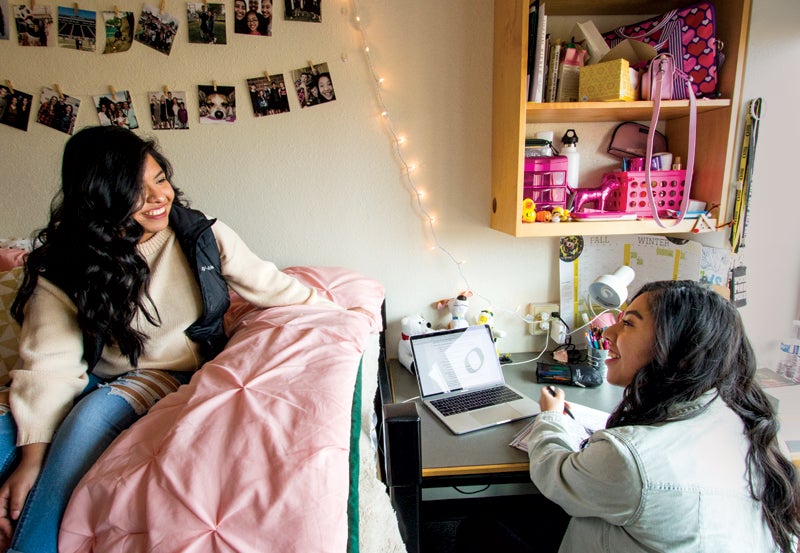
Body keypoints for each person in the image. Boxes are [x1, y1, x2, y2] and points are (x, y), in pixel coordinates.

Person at [0, 126, 366, 552]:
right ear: (99, 198)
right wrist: (30, 457)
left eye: (160, 179)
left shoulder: (200, 238)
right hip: (87, 373)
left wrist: (342, 314)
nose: (159, 197)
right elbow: (49, 365)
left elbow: (271, 286)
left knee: (86, 423)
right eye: (136, 191)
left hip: (158, 375)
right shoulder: (64, 263)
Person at [458, 280, 800, 553]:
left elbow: (556, 475)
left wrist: (551, 418)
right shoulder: (749, 426)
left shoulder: (629, 458)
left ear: (674, 347)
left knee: (478, 527)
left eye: (629, 324)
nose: (607, 334)